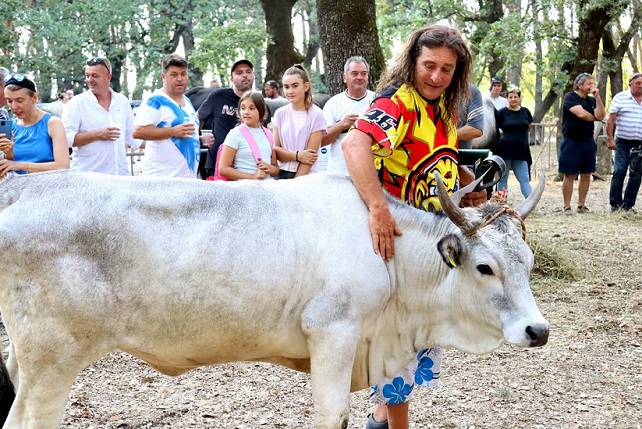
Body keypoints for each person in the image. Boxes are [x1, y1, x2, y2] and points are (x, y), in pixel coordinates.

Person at [341, 24, 487, 429]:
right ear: (412, 63)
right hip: (396, 244)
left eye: (447, 69)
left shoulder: (441, 109)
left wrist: (467, 187)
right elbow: (355, 144)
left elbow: (439, 158)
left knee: (413, 344)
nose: (437, 76)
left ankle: (379, 421)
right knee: (398, 349)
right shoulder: (397, 103)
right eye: (429, 66)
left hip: (427, 246)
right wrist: (377, 207)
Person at [62, 56, 139, 175]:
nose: (89, 80)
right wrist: (97, 134)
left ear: (108, 77)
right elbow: (65, 139)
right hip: (88, 179)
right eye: (87, 75)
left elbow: (132, 137)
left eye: (95, 76)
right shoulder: (76, 103)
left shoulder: (122, 101)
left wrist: (165, 137)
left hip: (120, 178)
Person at [133, 54, 199, 178]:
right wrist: (173, 131)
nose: (180, 78)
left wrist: (200, 140)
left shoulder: (187, 101)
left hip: (187, 180)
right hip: (162, 180)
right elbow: (137, 131)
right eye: (174, 75)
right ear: (163, 77)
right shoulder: (155, 100)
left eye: (183, 74)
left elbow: (183, 135)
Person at [0, 74, 69, 175]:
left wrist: (19, 165)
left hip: (49, 187)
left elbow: (63, 165)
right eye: (9, 101)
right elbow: (8, 167)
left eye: (20, 100)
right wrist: (8, 154)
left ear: (34, 98)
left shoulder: (53, 123)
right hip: (19, 189)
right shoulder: (10, 127)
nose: (14, 107)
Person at [198, 59, 254, 178]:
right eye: (239, 73)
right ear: (232, 79)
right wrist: (198, 139)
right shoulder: (218, 96)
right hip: (216, 166)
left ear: (253, 75)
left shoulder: (259, 103)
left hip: (246, 168)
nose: (245, 75)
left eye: (248, 72)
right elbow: (198, 118)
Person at [558, 72, 605, 214]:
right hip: (571, 141)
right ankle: (567, 206)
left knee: (586, 174)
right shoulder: (570, 97)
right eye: (589, 84)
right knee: (570, 174)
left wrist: (598, 98)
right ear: (580, 85)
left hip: (588, 142)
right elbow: (582, 114)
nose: (592, 86)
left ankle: (581, 205)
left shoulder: (591, 101)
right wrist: (595, 118)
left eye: (593, 83)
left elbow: (601, 115)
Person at [321, 56, 375, 174]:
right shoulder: (333, 103)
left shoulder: (378, 101)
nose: (359, 77)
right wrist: (341, 125)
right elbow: (321, 140)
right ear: (345, 77)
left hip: (371, 173)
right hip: (340, 173)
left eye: (363, 74)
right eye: (354, 74)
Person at [272, 65, 326, 179]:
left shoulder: (317, 115)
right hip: (280, 174)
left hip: (305, 177)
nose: (290, 91)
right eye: (286, 87)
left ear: (306, 86)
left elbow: (310, 157)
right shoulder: (279, 113)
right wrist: (297, 156)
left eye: (295, 86)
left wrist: (296, 183)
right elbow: (275, 150)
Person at [218, 92, 279, 180]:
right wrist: (252, 177)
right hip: (245, 188)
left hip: (267, 188)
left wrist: (270, 168)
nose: (246, 112)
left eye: (251, 108)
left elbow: (275, 168)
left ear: (261, 111)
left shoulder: (268, 134)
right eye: (243, 108)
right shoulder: (235, 134)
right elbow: (223, 169)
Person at [606, 72, 642, 212]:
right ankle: (615, 204)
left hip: (640, 143)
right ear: (630, 85)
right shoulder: (620, 98)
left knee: (637, 174)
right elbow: (610, 121)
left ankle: (628, 205)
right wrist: (610, 139)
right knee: (620, 170)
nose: (640, 86)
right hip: (622, 142)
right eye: (637, 83)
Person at [496, 85, 533, 198]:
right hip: (504, 152)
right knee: (502, 178)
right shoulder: (501, 113)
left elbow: (529, 127)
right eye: (510, 97)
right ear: (507, 98)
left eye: (515, 97)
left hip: (521, 152)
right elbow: (496, 131)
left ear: (519, 98)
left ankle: (531, 203)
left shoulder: (525, 112)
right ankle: (501, 203)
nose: (513, 99)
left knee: (524, 179)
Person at [456, 83, 484, 149]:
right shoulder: (433, 87)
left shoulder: (471, 91)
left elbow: (475, 130)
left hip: (459, 156)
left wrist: (442, 137)